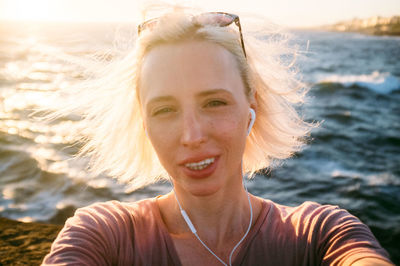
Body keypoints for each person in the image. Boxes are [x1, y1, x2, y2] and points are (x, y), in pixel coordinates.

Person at [42, 5, 393, 266]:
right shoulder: (105, 235)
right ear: (144, 122)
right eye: (165, 109)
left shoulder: (318, 235)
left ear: (251, 105)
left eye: (214, 102)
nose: (192, 135)